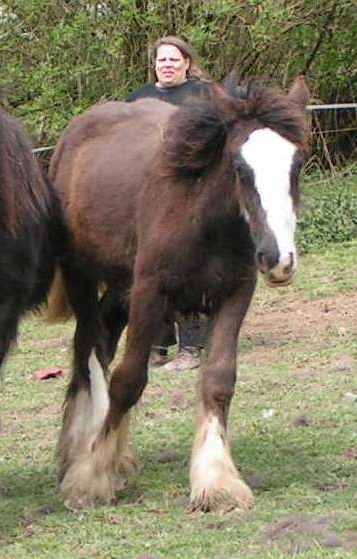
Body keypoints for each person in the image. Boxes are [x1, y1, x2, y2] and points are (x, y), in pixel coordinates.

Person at [126, 35, 210, 371]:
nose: (168, 65)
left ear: (187, 63)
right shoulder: (138, 98)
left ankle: (191, 348)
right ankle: (157, 345)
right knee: (149, 268)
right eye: (162, 60)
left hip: (192, 193)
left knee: (188, 268)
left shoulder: (204, 95)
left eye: (174, 59)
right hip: (149, 195)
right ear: (154, 64)